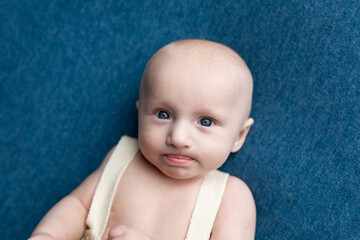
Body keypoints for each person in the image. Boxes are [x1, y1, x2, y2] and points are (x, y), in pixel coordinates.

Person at [29, 39, 256, 240]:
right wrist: (48, 234)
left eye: (205, 122)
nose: (178, 138)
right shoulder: (123, 157)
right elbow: (78, 206)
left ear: (238, 136)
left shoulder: (232, 198)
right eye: (163, 115)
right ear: (140, 115)